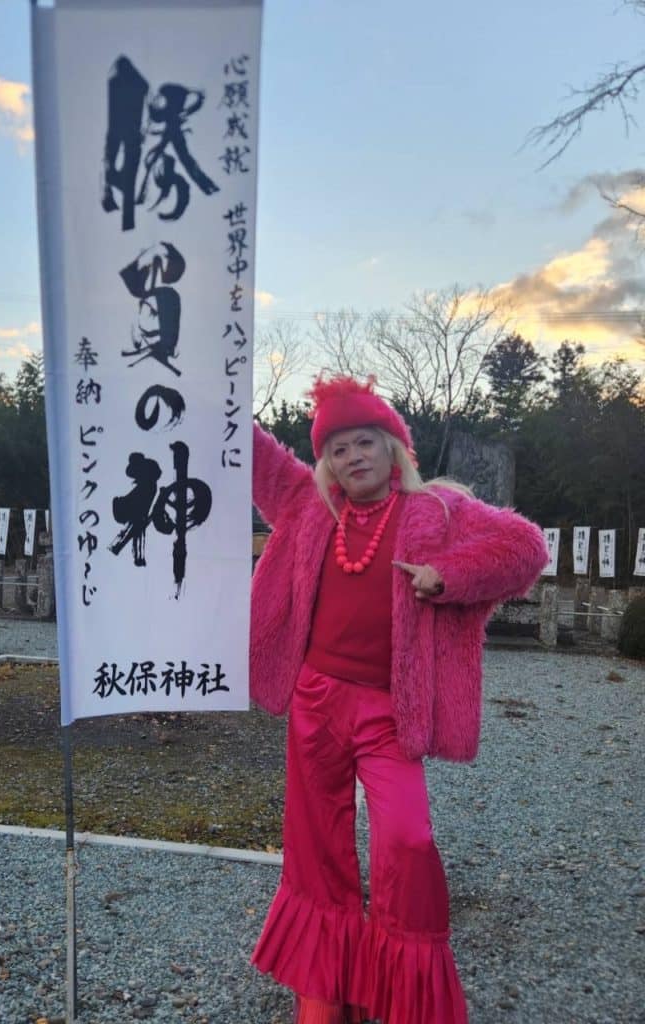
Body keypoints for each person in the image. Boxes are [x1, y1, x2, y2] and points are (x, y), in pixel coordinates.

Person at [248, 375, 548, 1024]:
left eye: (364, 442)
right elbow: (252, 451)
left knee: (407, 840)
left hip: (388, 711)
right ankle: (324, 987)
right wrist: (201, 386)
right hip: (315, 701)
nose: (352, 457)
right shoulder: (306, 504)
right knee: (316, 846)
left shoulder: (435, 511)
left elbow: (527, 548)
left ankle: (398, 987)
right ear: (326, 463)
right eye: (337, 449)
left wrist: (449, 576)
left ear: (393, 448)